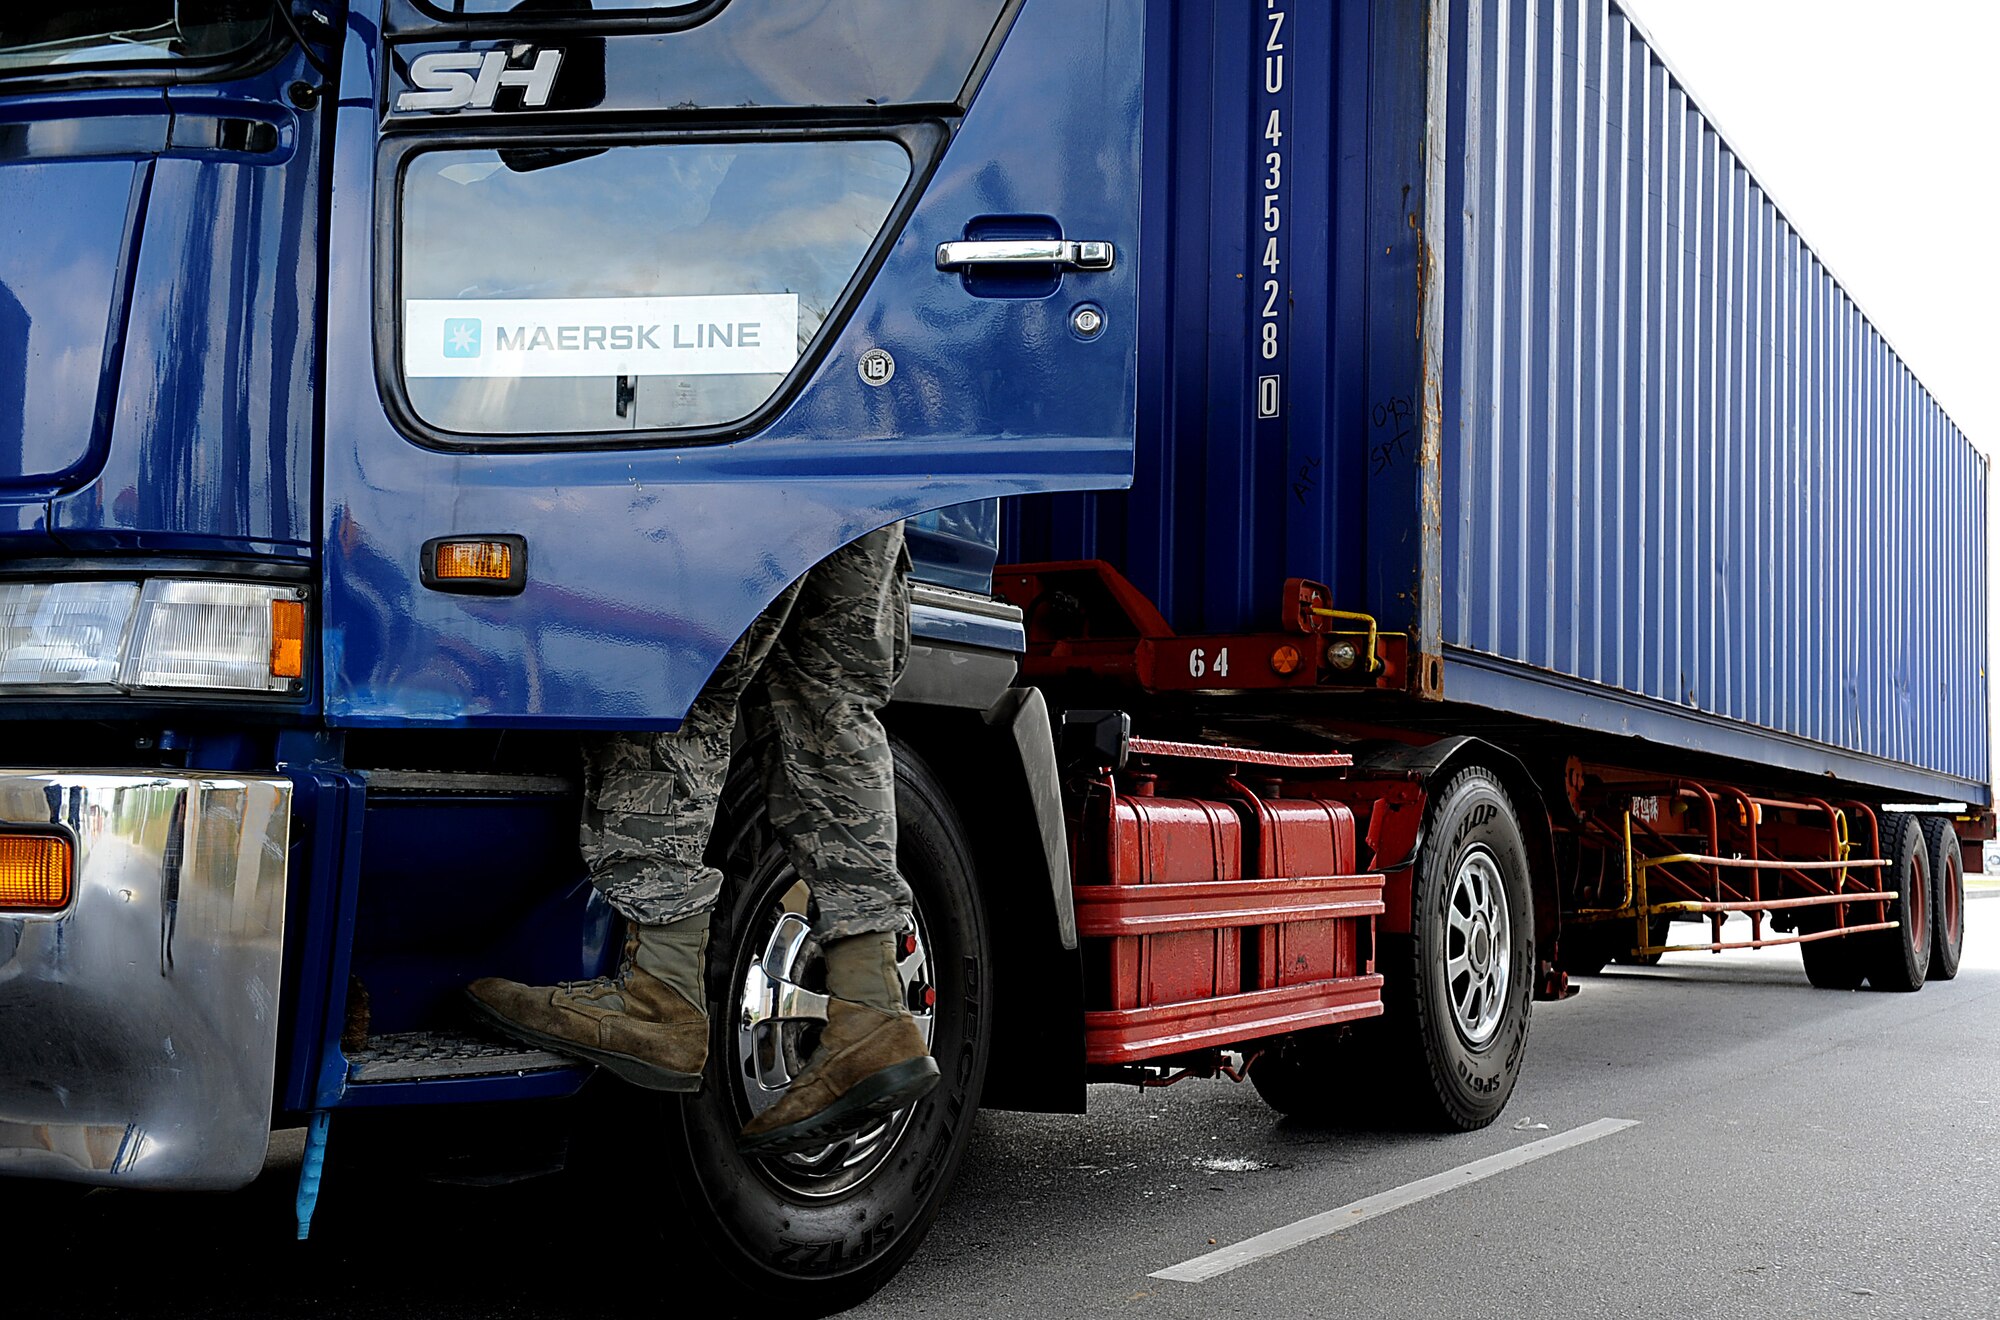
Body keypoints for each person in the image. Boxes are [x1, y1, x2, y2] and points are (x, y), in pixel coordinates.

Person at [466, 523, 936, 1156]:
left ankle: (659, 997)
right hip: (860, 462)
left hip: (741, 454)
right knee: (827, 708)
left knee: (674, 673)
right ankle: (870, 1005)